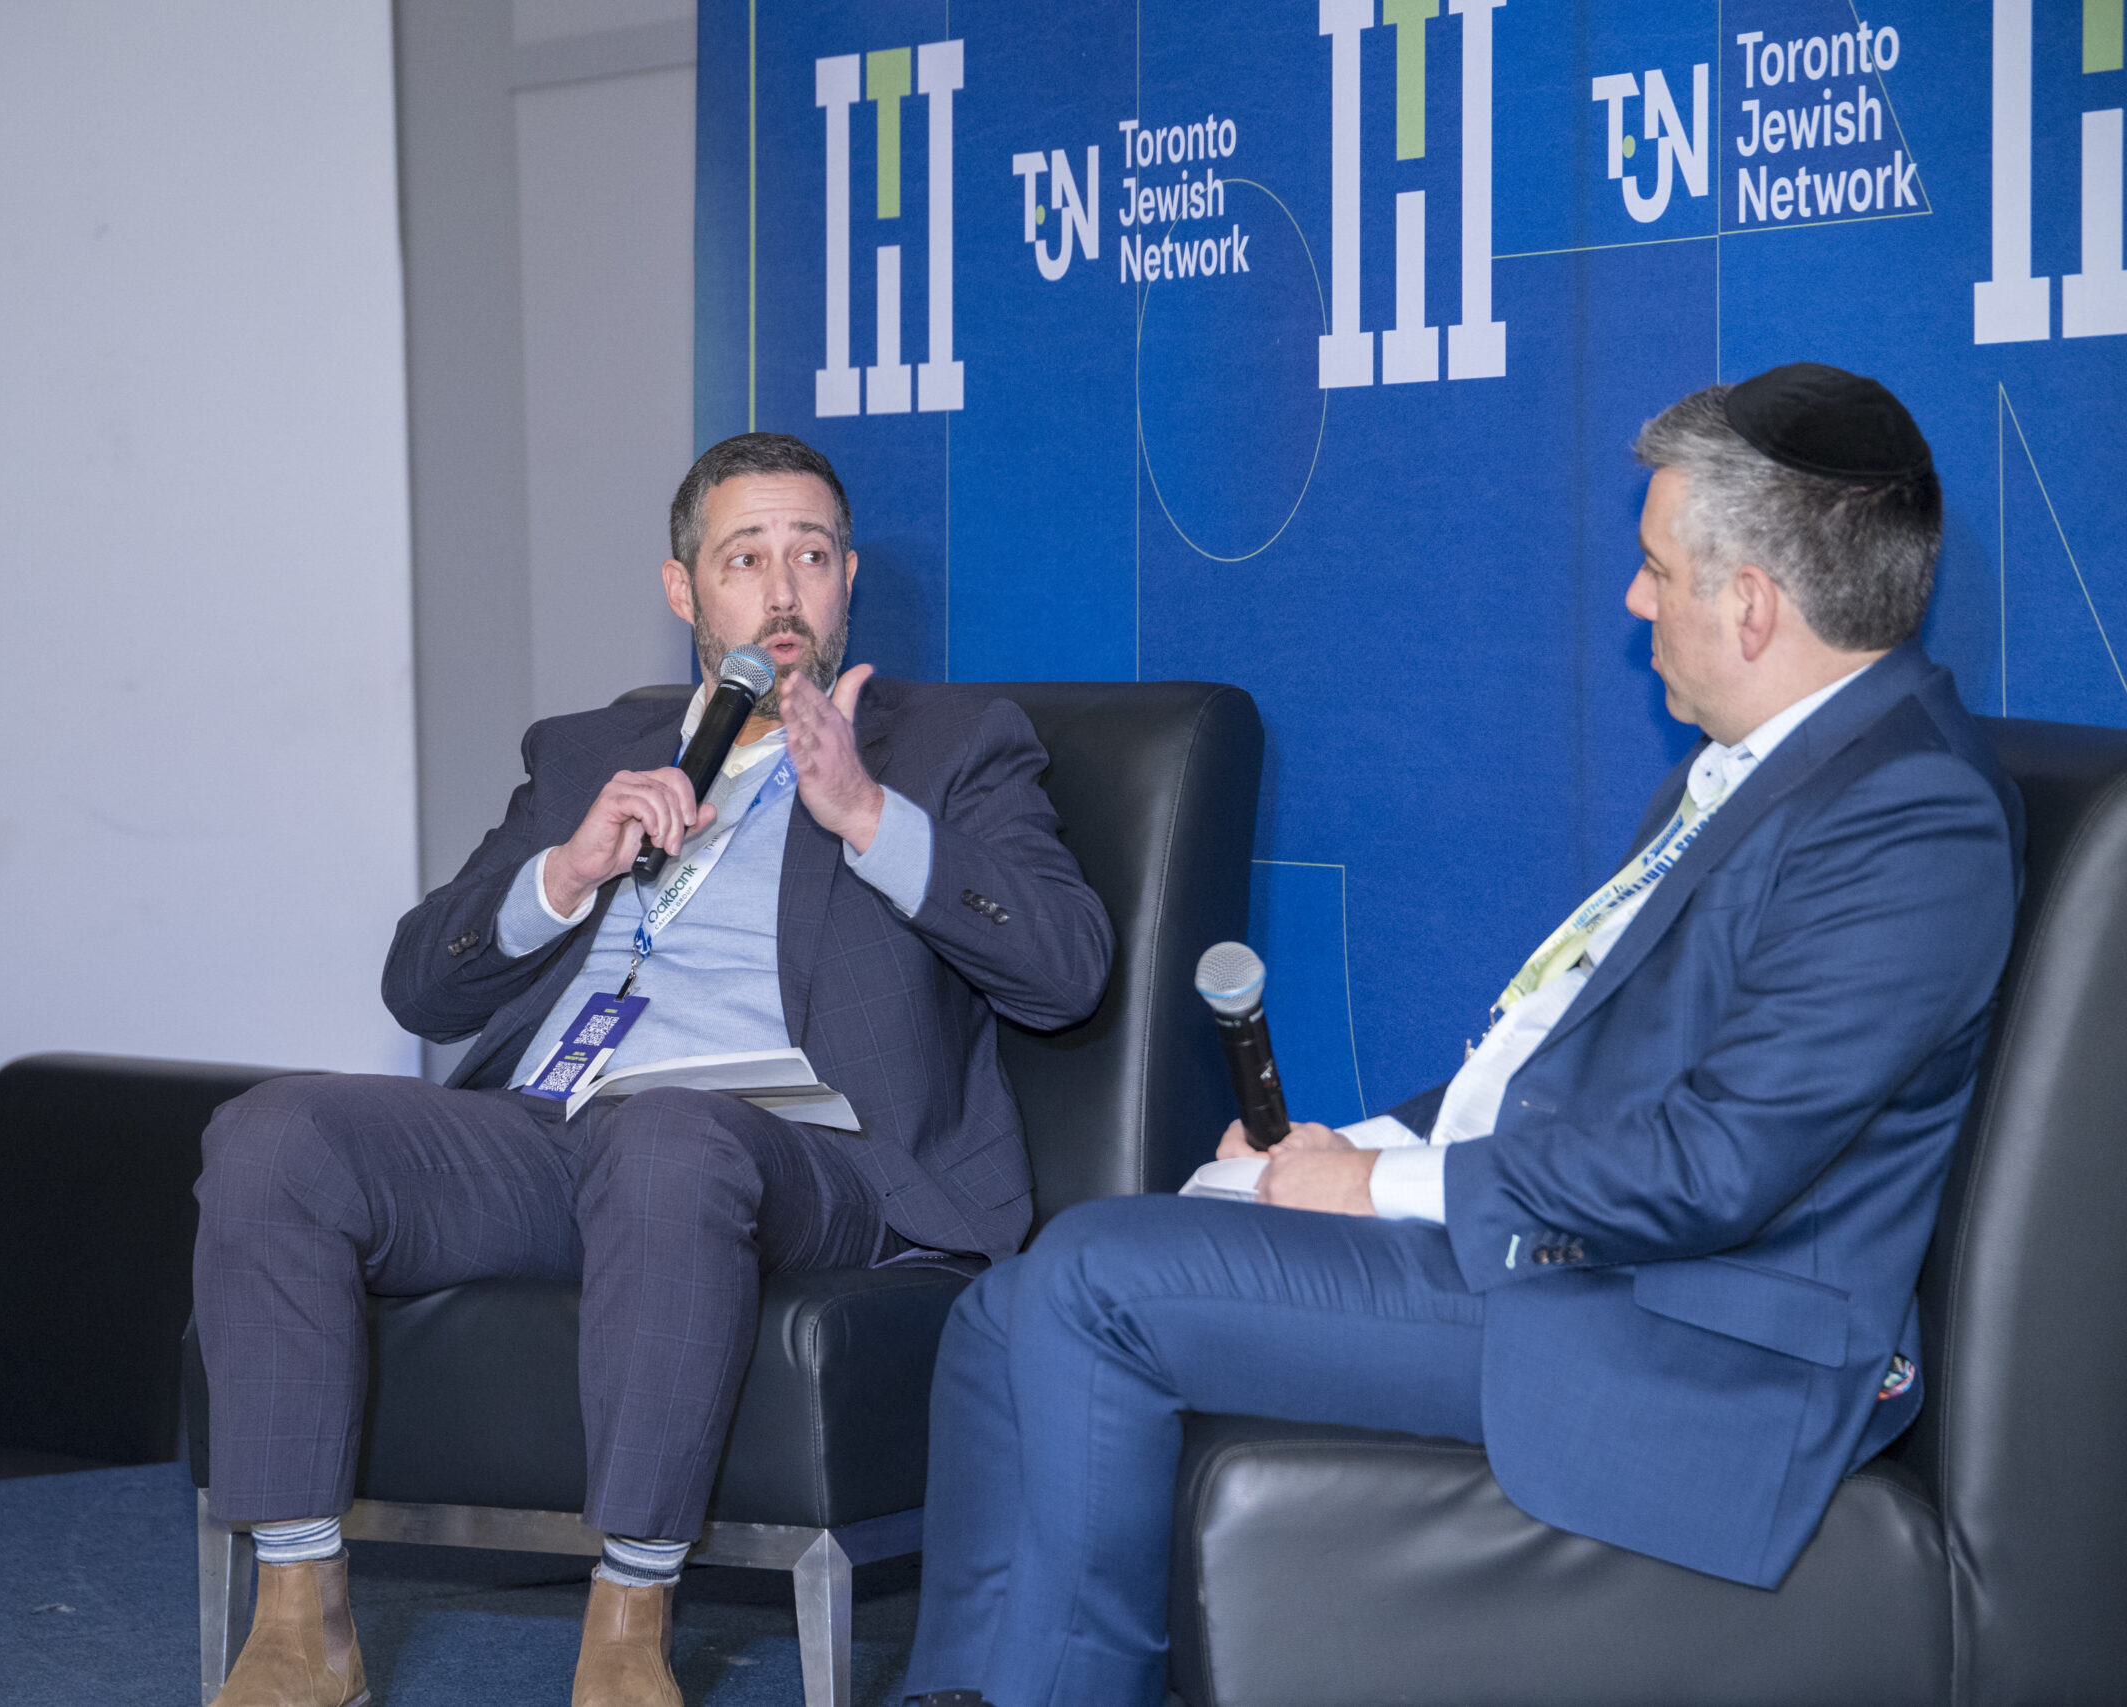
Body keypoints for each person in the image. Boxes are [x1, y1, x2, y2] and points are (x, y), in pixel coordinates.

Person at [898, 365, 2024, 1707]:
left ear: (1751, 602)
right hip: (1569, 1262)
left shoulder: (1910, 817)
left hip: (1677, 1335)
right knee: (1003, 1306)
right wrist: (1347, 1147)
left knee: (1090, 1275)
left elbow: (1717, 1168)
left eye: (1656, 568)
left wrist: (1379, 1187)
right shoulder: (1760, 766)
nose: (1635, 600)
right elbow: (1557, 1064)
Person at [191, 432, 1113, 1707]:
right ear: (684, 591)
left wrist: (867, 816)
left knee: (669, 1133)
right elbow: (420, 986)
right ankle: (301, 1620)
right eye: (746, 559)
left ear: (848, 578)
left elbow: (1065, 972)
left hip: (812, 1146)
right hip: (557, 1130)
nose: (783, 592)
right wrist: (564, 875)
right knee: (275, 1133)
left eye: (812, 556)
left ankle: (627, 1626)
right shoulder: (589, 752)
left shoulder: (949, 746)